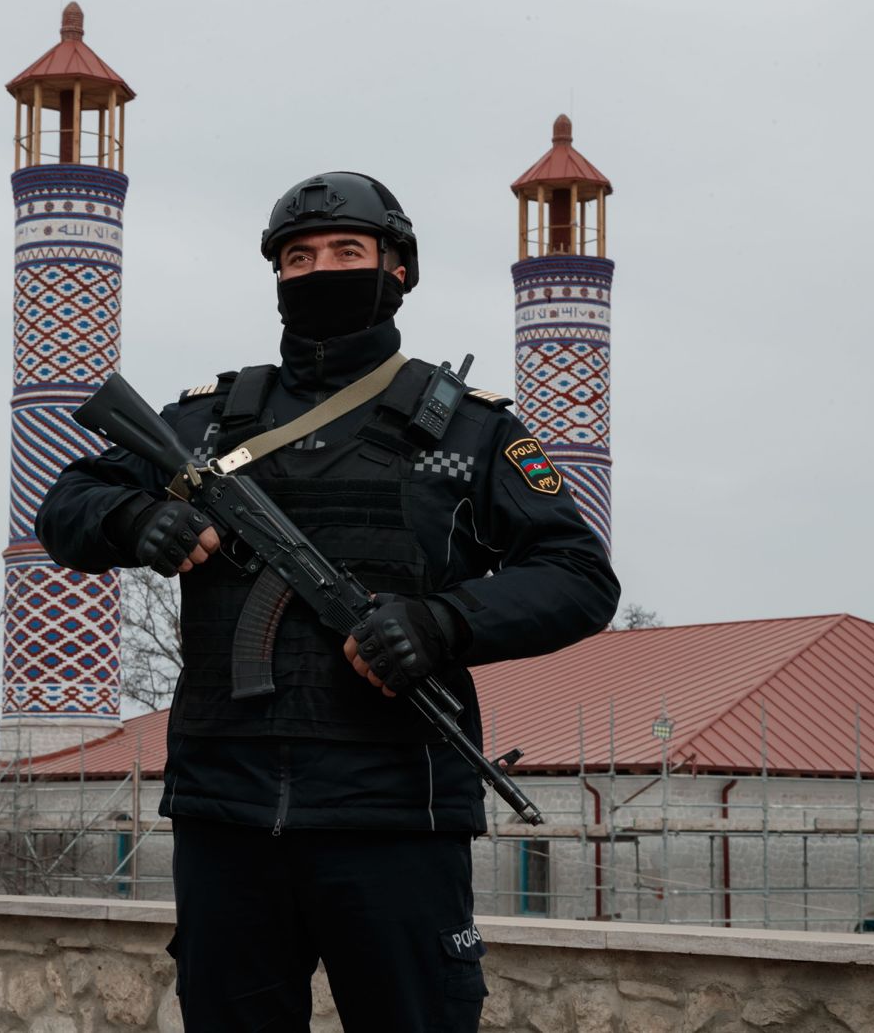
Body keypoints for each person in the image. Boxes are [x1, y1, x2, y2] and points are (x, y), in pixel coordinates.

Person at [36, 171, 619, 1032]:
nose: (320, 271)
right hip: (227, 816)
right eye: (298, 257)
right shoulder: (206, 422)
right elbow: (66, 506)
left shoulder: (470, 429)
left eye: (348, 252)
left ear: (399, 271)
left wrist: (443, 621)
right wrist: (135, 519)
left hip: (397, 819)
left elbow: (578, 574)